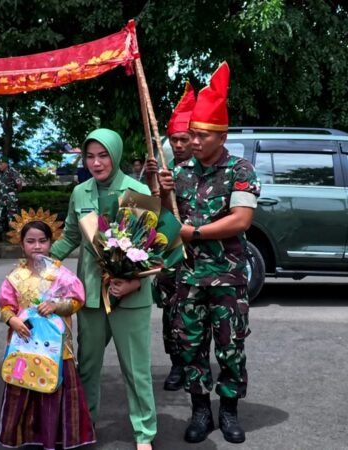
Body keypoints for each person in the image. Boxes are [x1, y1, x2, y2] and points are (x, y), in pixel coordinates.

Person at [158, 63, 261, 444]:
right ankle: (200, 410)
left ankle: (229, 411)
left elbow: (241, 220)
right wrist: (161, 191)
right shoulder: (180, 172)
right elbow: (166, 219)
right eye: (193, 134)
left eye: (202, 135)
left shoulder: (240, 170)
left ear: (222, 136)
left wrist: (195, 233)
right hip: (188, 277)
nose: (195, 141)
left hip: (227, 277)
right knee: (191, 347)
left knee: (231, 347)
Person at [51, 128, 156, 450]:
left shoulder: (137, 191)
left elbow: (152, 250)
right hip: (92, 295)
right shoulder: (80, 192)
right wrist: (39, 262)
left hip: (131, 296)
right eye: (90, 156)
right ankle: (85, 424)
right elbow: (71, 236)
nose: (96, 163)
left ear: (116, 155)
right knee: (87, 366)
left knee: (136, 370)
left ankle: (144, 433)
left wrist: (135, 282)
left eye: (103, 155)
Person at [0, 211, 96, 449]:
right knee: (23, 386)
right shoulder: (15, 277)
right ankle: (25, 435)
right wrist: (12, 320)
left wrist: (56, 305)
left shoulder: (61, 274)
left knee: (54, 389)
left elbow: (77, 301)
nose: (37, 246)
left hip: (55, 348)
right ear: (21, 244)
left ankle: (55, 437)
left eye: (43, 240)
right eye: (30, 241)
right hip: (24, 345)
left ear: (51, 243)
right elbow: (6, 306)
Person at [147, 80, 197, 392]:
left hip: (199, 254)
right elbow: (153, 211)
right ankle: (177, 363)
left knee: (194, 314)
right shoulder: (166, 171)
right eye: (174, 140)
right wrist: (154, 180)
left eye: (183, 139)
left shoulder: (204, 172)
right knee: (171, 311)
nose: (178, 145)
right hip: (170, 253)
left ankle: (194, 364)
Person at [0, 157, 24, 241]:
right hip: (2, 199)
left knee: (12, 217)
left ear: (6, 164)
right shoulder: (0, 174)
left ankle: (14, 236)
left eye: (1, 164)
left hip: (11, 200)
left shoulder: (13, 172)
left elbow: (19, 185)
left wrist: (13, 194)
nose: (0, 166)